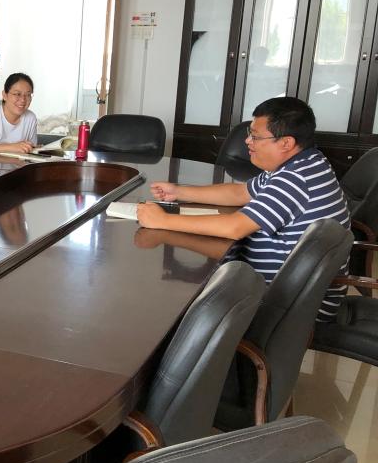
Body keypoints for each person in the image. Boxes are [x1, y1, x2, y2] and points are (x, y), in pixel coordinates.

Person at [136, 97, 350, 321]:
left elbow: (235, 227)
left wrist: (162, 221)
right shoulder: (304, 163)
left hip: (290, 306)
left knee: (168, 302)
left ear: (286, 143)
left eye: (255, 136)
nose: (248, 141)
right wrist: (180, 192)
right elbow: (240, 193)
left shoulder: (295, 178)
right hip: (293, 291)